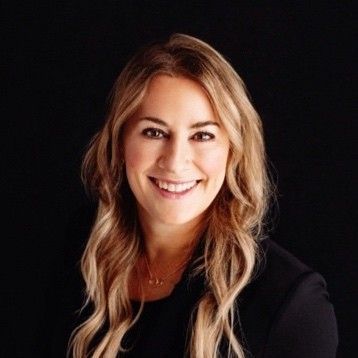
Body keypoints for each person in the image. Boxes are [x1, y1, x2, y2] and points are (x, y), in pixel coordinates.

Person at [60, 34, 338, 357]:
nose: (176, 161)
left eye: (203, 135)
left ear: (232, 151)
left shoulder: (290, 305)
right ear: (120, 143)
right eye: (154, 132)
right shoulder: (86, 249)